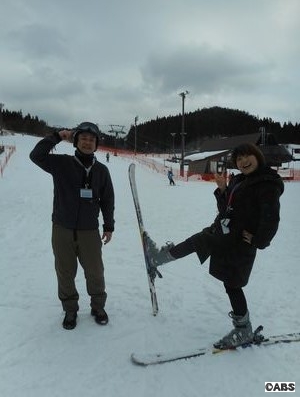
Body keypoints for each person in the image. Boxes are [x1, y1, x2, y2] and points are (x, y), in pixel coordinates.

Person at [146, 143, 284, 349]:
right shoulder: (240, 180)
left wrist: (258, 240)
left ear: (257, 157)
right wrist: (223, 190)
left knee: (233, 283)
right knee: (199, 241)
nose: (243, 161)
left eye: (247, 157)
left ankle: (243, 329)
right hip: (225, 232)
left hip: (239, 242)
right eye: (239, 159)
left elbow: (271, 218)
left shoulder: (267, 183)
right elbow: (227, 209)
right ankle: (160, 257)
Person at [30, 122, 115, 330]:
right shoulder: (61, 164)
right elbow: (36, 155)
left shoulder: (102, 171)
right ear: (76, 142)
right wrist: (58, 136)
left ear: (96, 145)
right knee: (65, 271)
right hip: (62, 228)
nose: (87, 142)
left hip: (89, 231)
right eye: (83, 139)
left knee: (95, 272)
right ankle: (70, 309)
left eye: (92, 140)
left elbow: (107, 200)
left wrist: (108, 225)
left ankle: (98, 306)